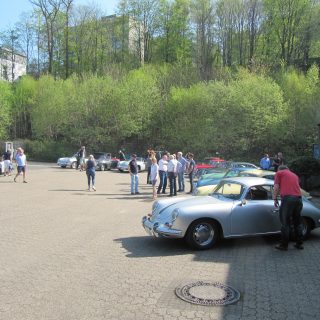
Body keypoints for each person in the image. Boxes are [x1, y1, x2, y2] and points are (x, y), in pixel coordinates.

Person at [273, 165, 304, 251]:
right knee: (297, 223)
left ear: (280, 169)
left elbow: (276, 187)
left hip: (288, 200)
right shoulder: (295, 175)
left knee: (285, 223)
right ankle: (299, 244)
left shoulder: (279, 173)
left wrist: (274, 198)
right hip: (298, 199)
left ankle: (284, 245)